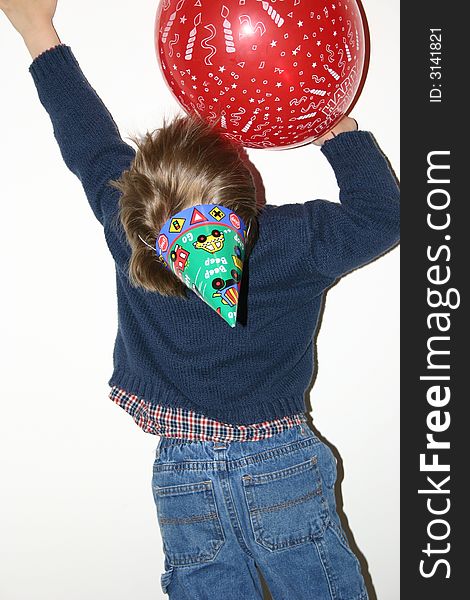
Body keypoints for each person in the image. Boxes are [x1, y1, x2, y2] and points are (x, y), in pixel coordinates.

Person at [1, 1, 399, 598]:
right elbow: (383, 217)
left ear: (136, 193)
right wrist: (335, 126)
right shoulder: (291, 243)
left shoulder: (131, 232)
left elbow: (88, 145)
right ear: (246, 186)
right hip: (280, 462)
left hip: (183, 474)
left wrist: (38, 31)